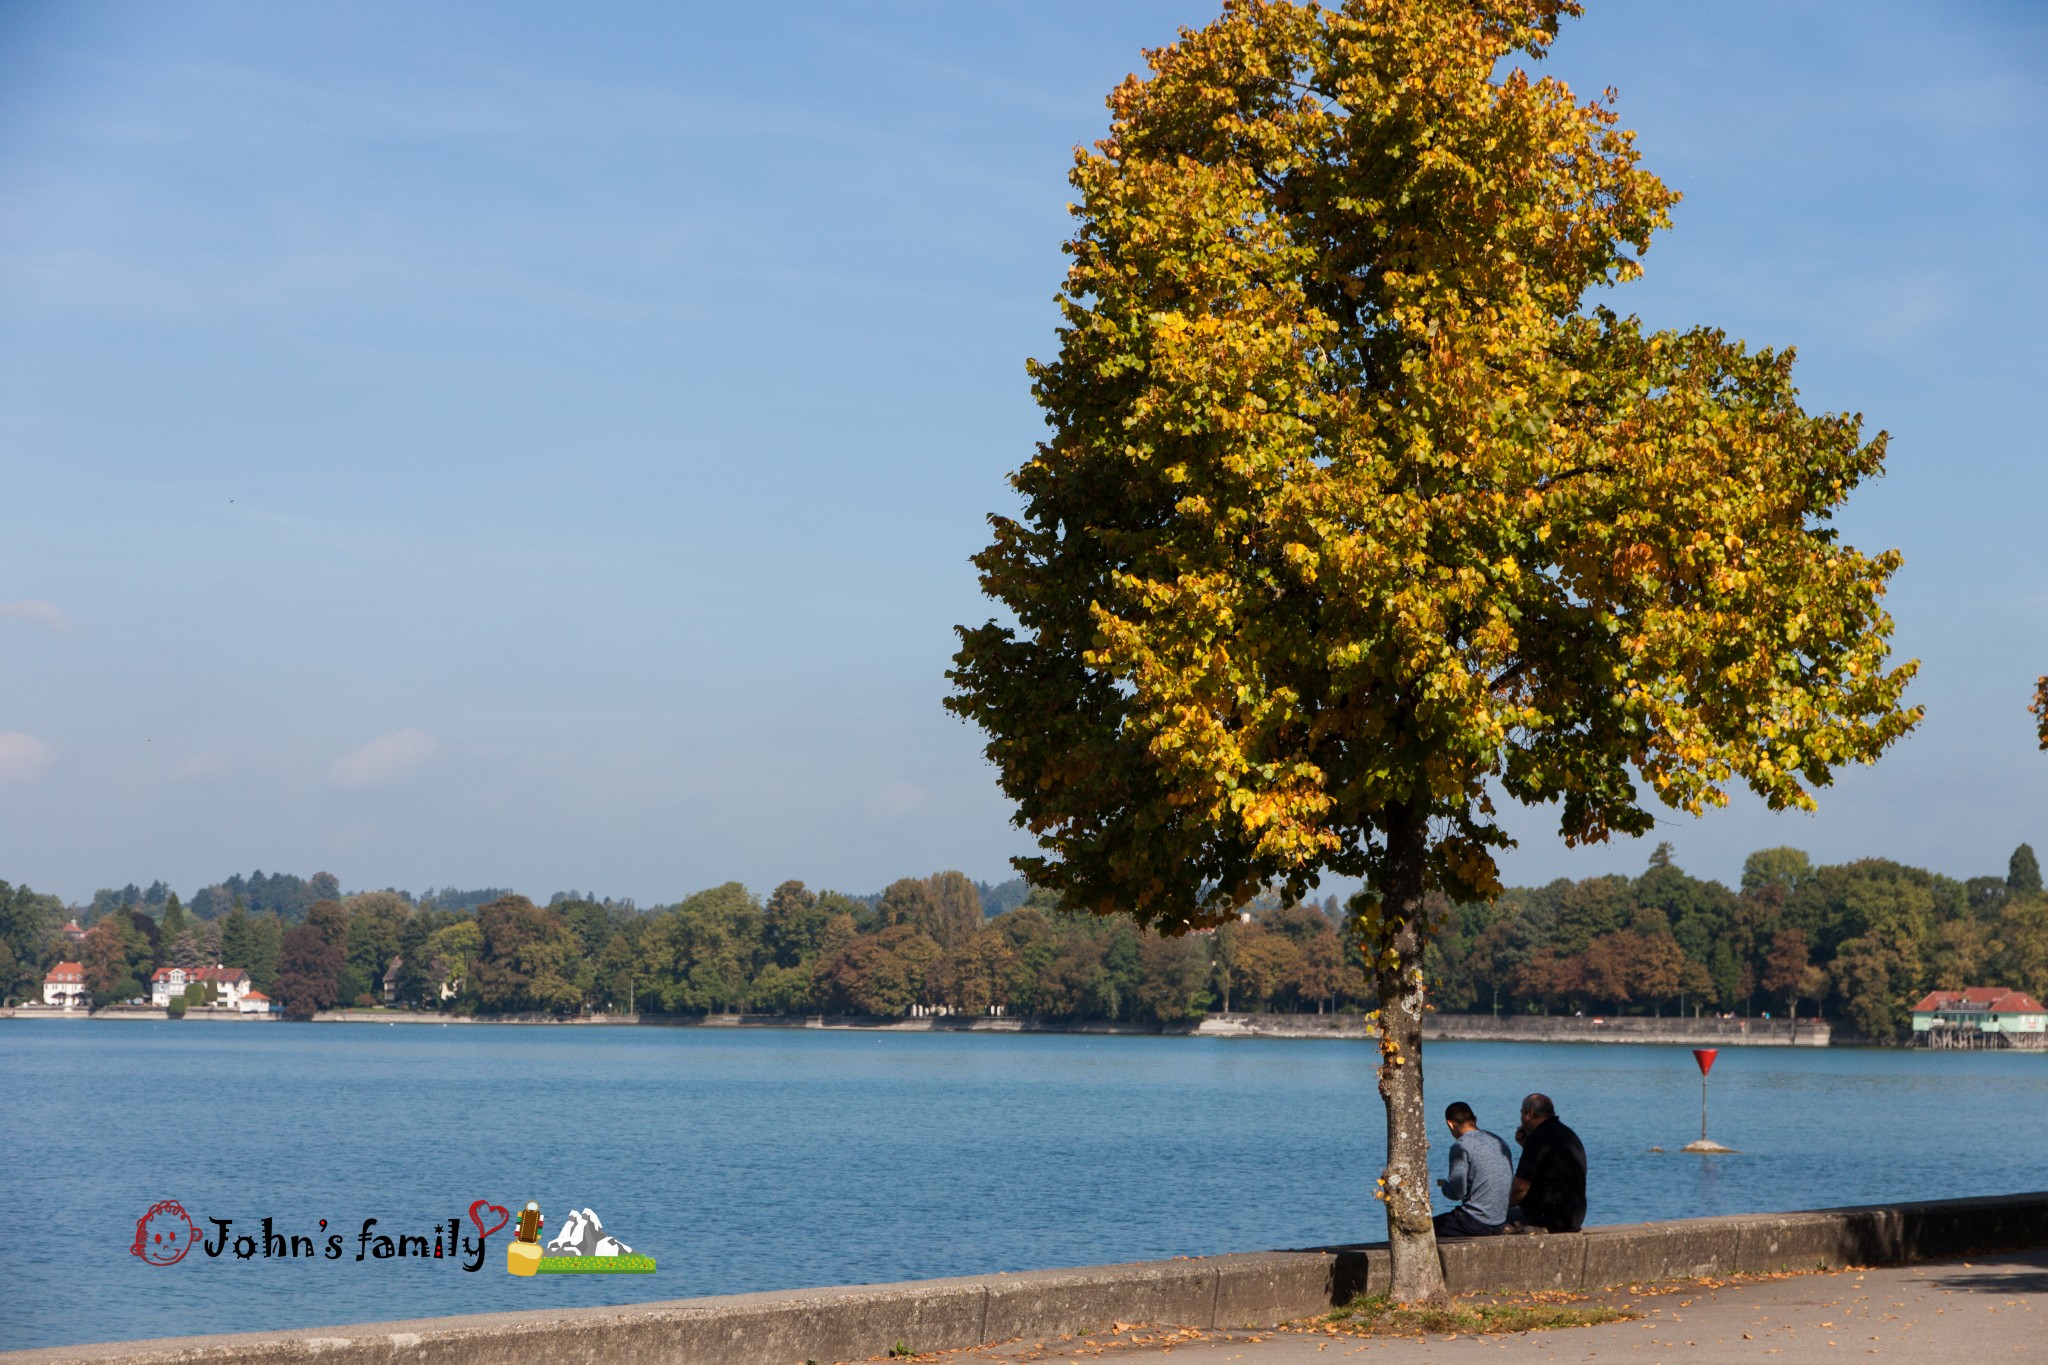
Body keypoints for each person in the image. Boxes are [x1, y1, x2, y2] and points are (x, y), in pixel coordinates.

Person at [1508, 1092, 1586, 1233]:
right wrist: (1526, 1146)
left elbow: (1520, 1188)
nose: (1521, 1119)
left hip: (1545, 1216)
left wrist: (1499, 1208)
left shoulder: (1538, 1139)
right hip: (1572, 1216)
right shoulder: (1567, 1134)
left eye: (1521, 1113)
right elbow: (1551, 1169)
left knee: (1484, 1221)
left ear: (1529, 1114)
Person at [1432, 1101, 1512, 1237]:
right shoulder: (1497, 1140)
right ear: (1475, 1119)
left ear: (1450, 1124)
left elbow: (1457, 1193)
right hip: (1499, 1221)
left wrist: (1444, 1186)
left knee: (1422, 1230)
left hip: (1475, 1222)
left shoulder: (1461, 1146)